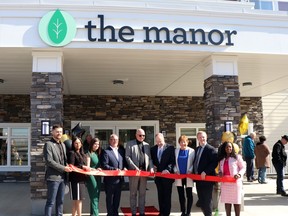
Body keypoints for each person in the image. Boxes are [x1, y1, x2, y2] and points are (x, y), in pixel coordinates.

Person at [43, 124, 72, 216]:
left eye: (60, 132)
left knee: (60, 201)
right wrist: (64, 168)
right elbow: (49, 161)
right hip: (53, 178)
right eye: (57, 131)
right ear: (52, 132)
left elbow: (63, 160)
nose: (59, 133)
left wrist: (67, 165)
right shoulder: (48, 144)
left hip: (63, 178)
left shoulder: (63, 144)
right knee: (50, 201)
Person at [125, 128, 153, 216]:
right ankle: (133, 212)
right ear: (136, 135)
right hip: (134, 173)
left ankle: (142, 212)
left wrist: (151, 168)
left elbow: (150, 158)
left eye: (143, 135)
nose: (142, 137)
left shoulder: (147, 145)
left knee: (142, 193)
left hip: (144, 173)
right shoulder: (130, 144)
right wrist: (135, 167)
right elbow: (127, 157)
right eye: (140, 135)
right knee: (133, 194)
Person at [193, 131, 218, 216]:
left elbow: (214, 163)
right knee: (201, 200)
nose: (202, 139)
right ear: (197, 138)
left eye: (203, 137)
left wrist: (205, 172)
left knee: (207, 200)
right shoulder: (197, 149)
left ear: (206, 137)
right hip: (198, 179)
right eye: (200, 137)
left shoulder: (211, 149)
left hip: (207, 179)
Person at [101, 134, 127, 216]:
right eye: (112, 139)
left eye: (116, 139)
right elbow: (105, 165)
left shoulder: (121, 151)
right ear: (110, 140)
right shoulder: (106, 151)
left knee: (117, 198)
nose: (114, 141)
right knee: (110, 199)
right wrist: (114, 169)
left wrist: (125, 168)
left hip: (119, 180)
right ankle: (110, 214)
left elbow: (123, 163)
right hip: (110, 180)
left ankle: (115, 213)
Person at [150, 133, 175, 216]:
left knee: (167, 196)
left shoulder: (170, 148)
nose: (159, 143)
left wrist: (168, 169)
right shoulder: (153, 149)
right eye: (157, 141)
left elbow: (172, 161)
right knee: (160, 195)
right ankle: (161, 212)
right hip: (158, 177)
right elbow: (152, 160)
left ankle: (166, 213)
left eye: (160, 141)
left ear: (163, 139)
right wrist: (152, 166)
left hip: (167, 177)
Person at [218, 141, 246, 216]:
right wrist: (220, 173)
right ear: (224, 148)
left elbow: (243, 168)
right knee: (227, 202)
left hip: (235, 183)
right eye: (227, 147)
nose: (228, 148)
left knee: (236, 202)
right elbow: (220, 170)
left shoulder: (237, 157)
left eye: (230, 147)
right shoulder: (222, 159)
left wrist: (239, 174)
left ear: (232, 148)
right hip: (225, 184)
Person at [68, 136, 90, 216]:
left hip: (82, 180)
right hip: (75, 180)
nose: (78, 145)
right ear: (73, 144)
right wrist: (82, 167)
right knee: (77, 200)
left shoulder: (83, 154)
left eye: (79, 143)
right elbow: (71, 166)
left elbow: (87, 166)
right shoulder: (72, 153)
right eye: (76, 143)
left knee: (77, 200)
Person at [174, 135, 195, 216]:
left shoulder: (192, 151)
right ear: (179, 143)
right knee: (181, 195)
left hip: (188, 176)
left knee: (189, 194)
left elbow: (194, 163)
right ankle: (183, 211)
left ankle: (188, 212)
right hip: (179, 176)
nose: (183, 143)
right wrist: (176, 171)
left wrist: (191, 170)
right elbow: (174, 163)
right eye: (182, 142)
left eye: (185, 141)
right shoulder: (176, 151)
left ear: (187, 142)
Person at [86, 138, 102, 216]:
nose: (97, 146)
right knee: (94, 196)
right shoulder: (88, 153)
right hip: (91, 176)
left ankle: (92, 214)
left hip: (98, 176)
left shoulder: (97, 153)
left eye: (98, 144)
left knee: (96, 197)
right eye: (95, 144)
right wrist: (95, 169)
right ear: (91, 144)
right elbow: (87, 167)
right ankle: (96, 214)